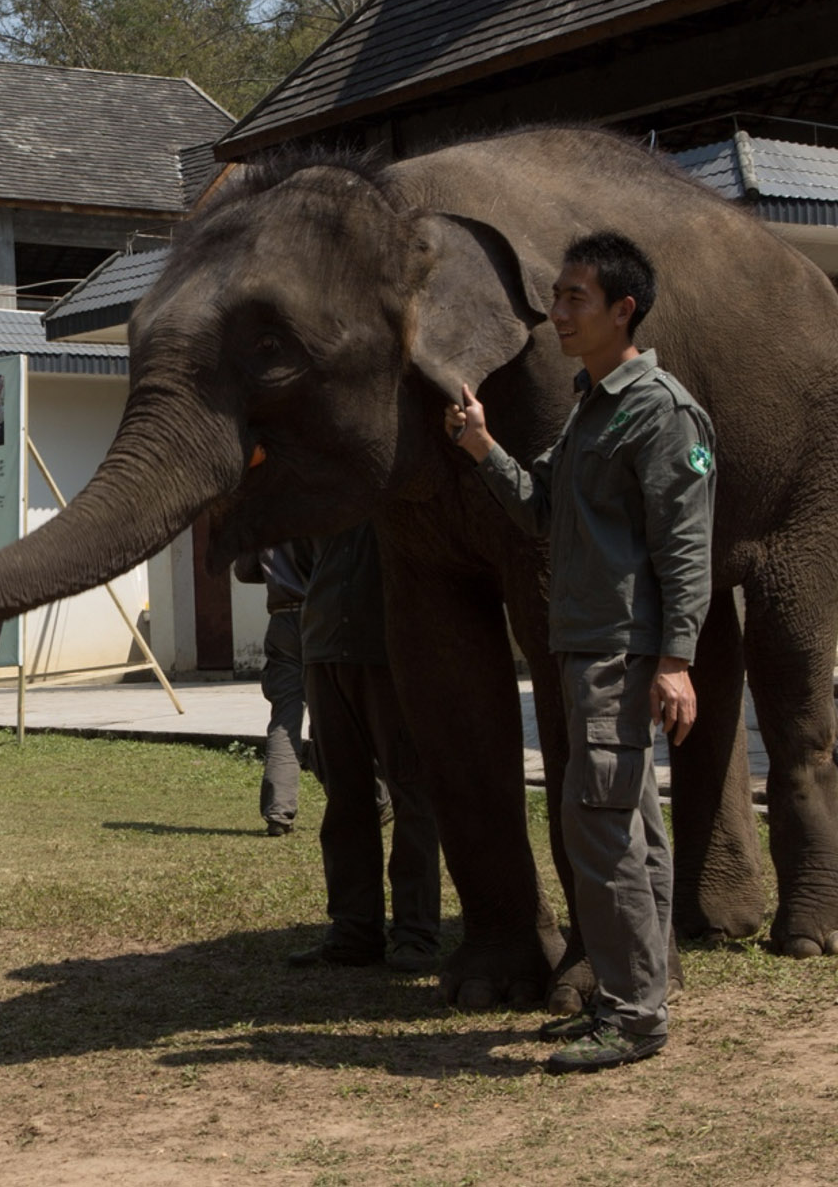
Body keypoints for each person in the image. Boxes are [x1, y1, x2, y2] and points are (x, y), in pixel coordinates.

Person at [446, 230, 715, 1073]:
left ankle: (634, 1017)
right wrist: (482, 446)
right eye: (556, 297)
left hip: (621, 654)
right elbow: (541, 510)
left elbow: (686, 545)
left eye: (574, 299)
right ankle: (629, 996)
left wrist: (675, 659)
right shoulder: (592, 407)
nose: (556, 313)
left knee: (598, 831)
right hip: (586, 647)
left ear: (622, 311)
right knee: (629, 826)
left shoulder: (659, 410)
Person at [286, 522, 442, 973]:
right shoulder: (322, 492)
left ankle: (415, 934)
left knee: (411, 793)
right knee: (345, 799)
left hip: (390, 651)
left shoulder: (397, 485)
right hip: (324, 648)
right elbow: (302, 557)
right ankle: (353, 931)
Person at [233, 542, 315, 836]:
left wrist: (277, 573)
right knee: (333, 716)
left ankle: (278, 813)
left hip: (282, 618)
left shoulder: (262, 513)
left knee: (284, 719)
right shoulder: (320, 504)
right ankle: (374, 799)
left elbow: (243, 570)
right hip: (322, 614)